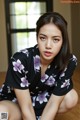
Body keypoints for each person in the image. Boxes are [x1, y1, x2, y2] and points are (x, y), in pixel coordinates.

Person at [0, 12, 78, 120]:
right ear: (37, 37)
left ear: (63, 41)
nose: (48, 45)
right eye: (43, 38)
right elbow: (26, 106)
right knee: (1, 114)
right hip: (16, 103)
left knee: (71, 97)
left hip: (42, 102)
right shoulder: (19, 60)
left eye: (55, 39)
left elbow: (54, 103)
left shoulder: (69, 61)